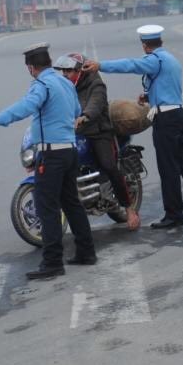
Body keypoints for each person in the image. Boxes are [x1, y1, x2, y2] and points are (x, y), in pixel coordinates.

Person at [0, 43, 96, 279]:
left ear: (31, 68)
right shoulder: (66, 83)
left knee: (46, 208)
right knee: (71, 204)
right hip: (69, 151)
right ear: (47, 63)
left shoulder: (42, 85)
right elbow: (77, 110)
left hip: (51, 155)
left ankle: (52, 263)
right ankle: (86, 252)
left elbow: (26, 106)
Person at [82, 25, 183, 230]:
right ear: (160, 41)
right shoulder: (171, 60)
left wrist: (99, 65)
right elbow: (168, 86)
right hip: (178, 115)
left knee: (168, 168)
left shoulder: (155, 60)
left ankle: (174, 215)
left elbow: (130, 65)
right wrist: (148, 96)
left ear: (145, 45)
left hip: (166, 119)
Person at [53, 52, 140, 231]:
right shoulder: (66, 87)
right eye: (63, 71)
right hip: (76, 133)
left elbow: (96, 103)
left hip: (99, 132)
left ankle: (130, 209)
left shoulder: (96, 84)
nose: (65, 75)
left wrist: (85, 116)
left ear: (79, 71)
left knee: (109, 166)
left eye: (68, 71)